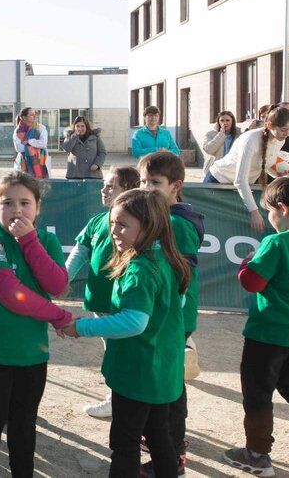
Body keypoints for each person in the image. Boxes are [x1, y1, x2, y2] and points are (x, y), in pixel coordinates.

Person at [59, 189, 191, 478]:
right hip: (162, 372)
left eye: (122, 225)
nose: (113, 231)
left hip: (137, 373)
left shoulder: (140, 269)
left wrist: (82, 327)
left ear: (149, 226)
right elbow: (177, 304)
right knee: (159, 437)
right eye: (112, 223)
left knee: (124, 443)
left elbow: (134, 322)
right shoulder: (169, 260)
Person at [0, 172, 72, 478]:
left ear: (38, 207)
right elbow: (12, 296)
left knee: (24, 424)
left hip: (31, 353)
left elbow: (57, 285)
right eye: (7, 203)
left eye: (25, 203)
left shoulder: (46, 240)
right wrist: (59, 316)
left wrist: (29, 241)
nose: (17, 210)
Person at [224, 175, 289, 477]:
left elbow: (252, 283)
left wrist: (248, 261)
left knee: (258, 394)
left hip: (267, 336)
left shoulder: (276, 242)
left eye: (269, 211)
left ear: (282, 208)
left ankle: (256, 454)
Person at [139, 151, 205, 476]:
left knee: (169, 385)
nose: (146, 188)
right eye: (143, 181)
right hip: (166, 315)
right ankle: (163, 438)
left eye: (155, 182)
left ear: (175, 186)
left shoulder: (176, 223)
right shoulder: (164, 215)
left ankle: (173, 451)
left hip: (171, 317)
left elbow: (180, 276)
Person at [65, 166, 141, 419]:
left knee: (121, 353)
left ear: (128, 190)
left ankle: (118, 399)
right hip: (99, 300)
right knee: (113, 351)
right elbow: (79, 254)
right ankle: (118, 397)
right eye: (104, 185)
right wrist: (60, 281)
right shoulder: (97, 221)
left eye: (110, 186)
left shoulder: (138, 227)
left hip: (123, 304)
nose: (104, 190)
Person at [206, 106, 289, 232]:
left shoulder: (280, 140)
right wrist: (254, 212)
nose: (287, 134)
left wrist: (279, 176)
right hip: (218, 180)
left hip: (242, 186)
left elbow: (261, 164)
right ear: (269, 125)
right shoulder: (250, 140)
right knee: (212, 226)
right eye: (283, 130)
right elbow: (240, 180)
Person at [62, 115, 107, 180]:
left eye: (82, 126)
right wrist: (74, 136)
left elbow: (102, 152)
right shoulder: (70, 136)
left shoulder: (95, 137)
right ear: (74, 127)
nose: (80, 128)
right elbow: (66, 148)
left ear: (86, 126)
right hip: (75, 174)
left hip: (92, 175)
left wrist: (97, 164)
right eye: (77, 126)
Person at [13, 107, 50, 179]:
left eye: (35, 114)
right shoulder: (18, 131)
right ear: (24, 117)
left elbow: (43, 144)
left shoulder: (41, 128)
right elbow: (19, 148)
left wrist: (29, 142)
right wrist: (36, 145)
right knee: (24, 183)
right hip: (23, 162)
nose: (35, 116)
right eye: (31, 115)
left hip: (40, 161)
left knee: (40, 183)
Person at [201, 111, 240, 175]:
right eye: (222, 120)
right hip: (214, 170)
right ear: (218, 122)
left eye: (227, 120)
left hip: (231, 170)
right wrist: (221, 134)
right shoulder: (211, 134)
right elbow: (208, 149)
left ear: (232, 121)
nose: (225, 123)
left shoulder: (238, 135)